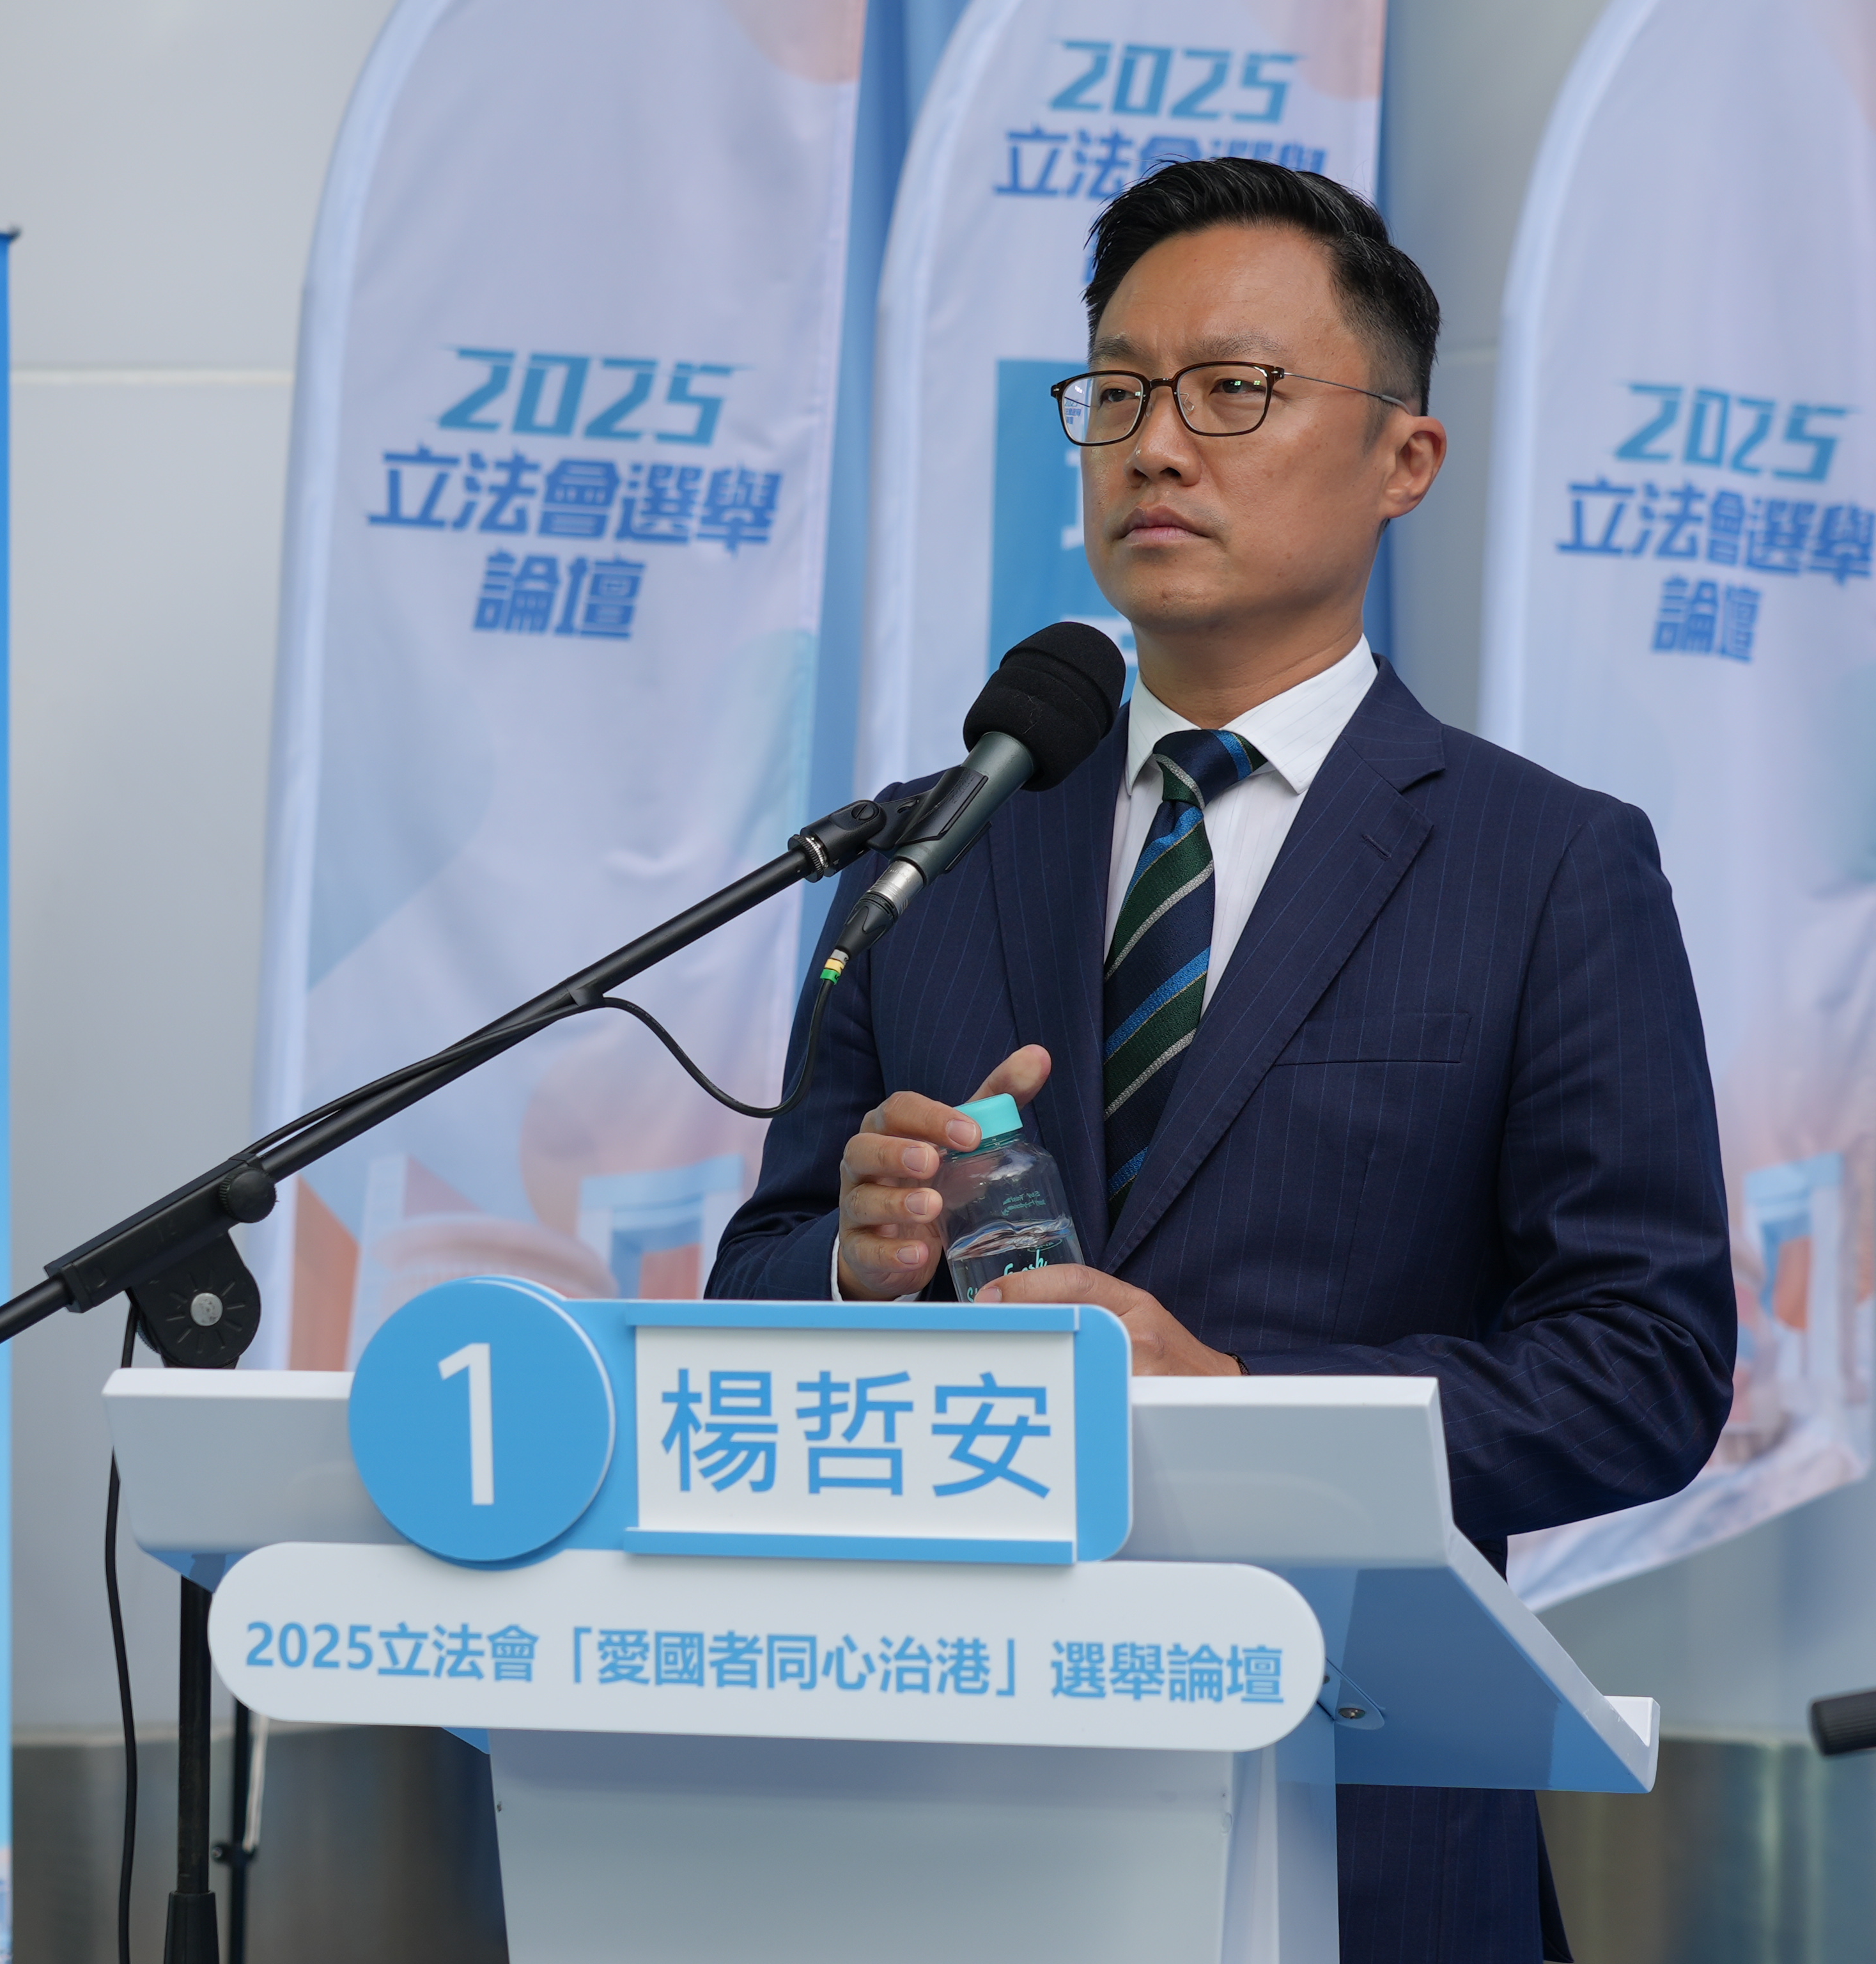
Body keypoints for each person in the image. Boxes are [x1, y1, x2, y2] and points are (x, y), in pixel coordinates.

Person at [706, 158, 1735, 1964]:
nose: (1156, 447)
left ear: (1406, 459)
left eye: (1233, 392)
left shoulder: (1546, 867)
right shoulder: (935, 850)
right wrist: (864, 1270)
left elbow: (1643, 1368)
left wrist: (1241, 1399)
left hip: (1352, 1814)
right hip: (944, 1809)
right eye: (1115, 394)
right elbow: (757, 1280)